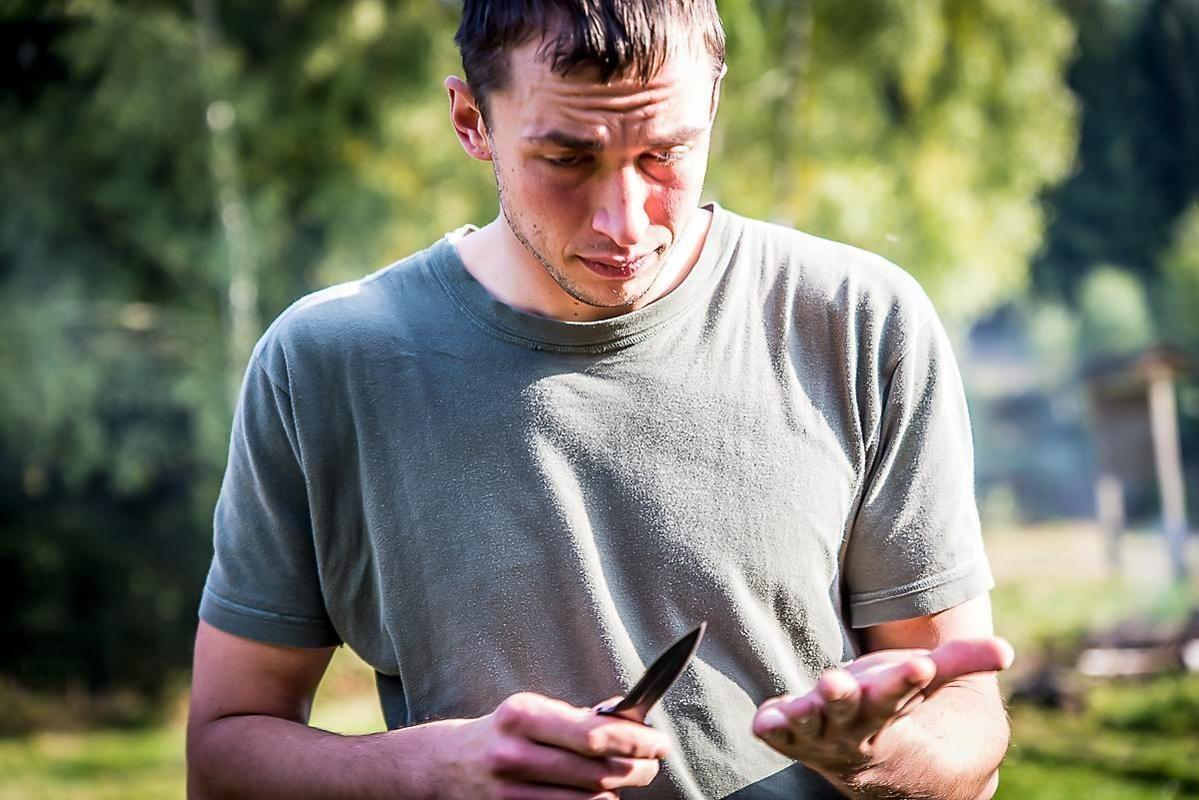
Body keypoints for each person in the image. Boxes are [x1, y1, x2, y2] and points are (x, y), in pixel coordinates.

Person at [186, 2, 1013, 798]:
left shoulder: (857, 321)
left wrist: (876, 753)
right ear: (471, 120)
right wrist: (430, 775)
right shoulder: (326, 362)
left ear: (712, 104)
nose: (624, 223)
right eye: (566, 159)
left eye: (665, 154)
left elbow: (968, 733)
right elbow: (223, 759)